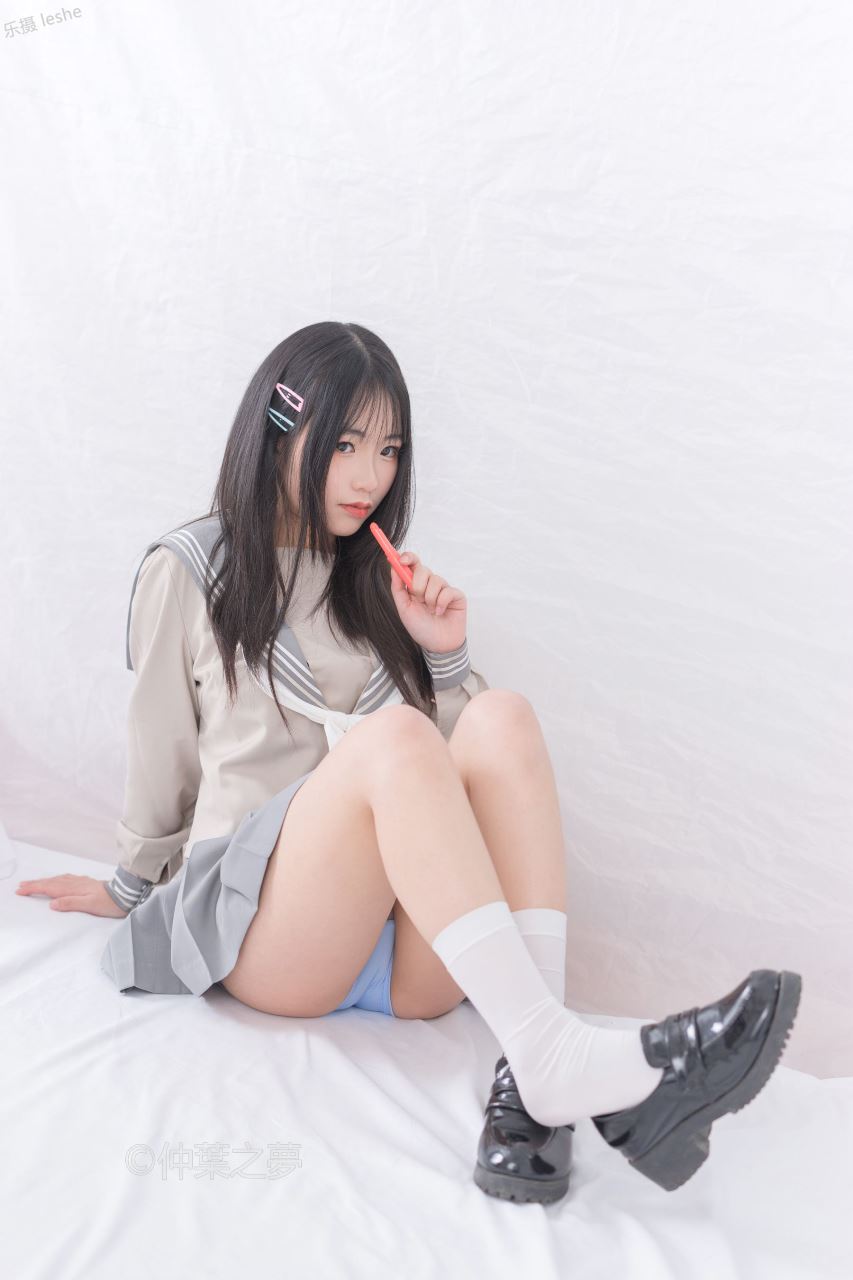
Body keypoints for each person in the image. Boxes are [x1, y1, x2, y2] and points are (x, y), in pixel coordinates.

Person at [15, 321, 802, 1205]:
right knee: (394, 738)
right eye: (345, 444)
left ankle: (530, 1080)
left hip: (408, 952)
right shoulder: (192, 568)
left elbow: (466, 781)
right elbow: (161, 743)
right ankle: (553, 1055)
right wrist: (132, 882)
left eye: (388, 450)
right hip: (270, 934)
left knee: (499, 714)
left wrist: (444, 657)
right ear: (280, 428)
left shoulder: (378, 581)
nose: (369, 477)